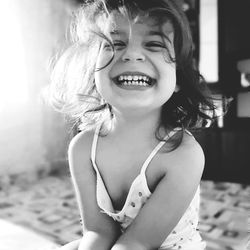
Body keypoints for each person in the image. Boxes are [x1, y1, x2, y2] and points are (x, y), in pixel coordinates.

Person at [48, 0, 216, 249]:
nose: (131, 54)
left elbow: (137, 243)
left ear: (178, 77)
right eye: (115, 43)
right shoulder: (83, 148)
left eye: (154, 44)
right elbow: (98, 231)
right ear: (93, 69)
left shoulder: (183, 155)